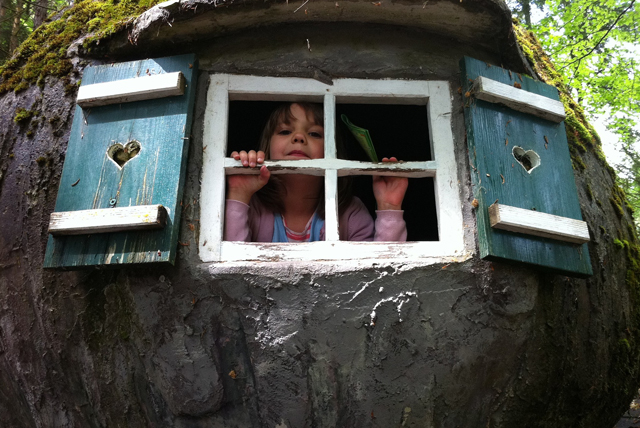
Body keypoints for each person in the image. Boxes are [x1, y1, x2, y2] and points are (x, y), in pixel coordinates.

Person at [224, 102, 408, 242]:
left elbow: (380, 275)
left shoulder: (348, 212)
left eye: (314, 134)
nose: (298, 137)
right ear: (267, 147)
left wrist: (389, 207)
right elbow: (228, 269)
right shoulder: (254, 208)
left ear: (332, 152)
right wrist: (239, 195)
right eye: (285, 131)